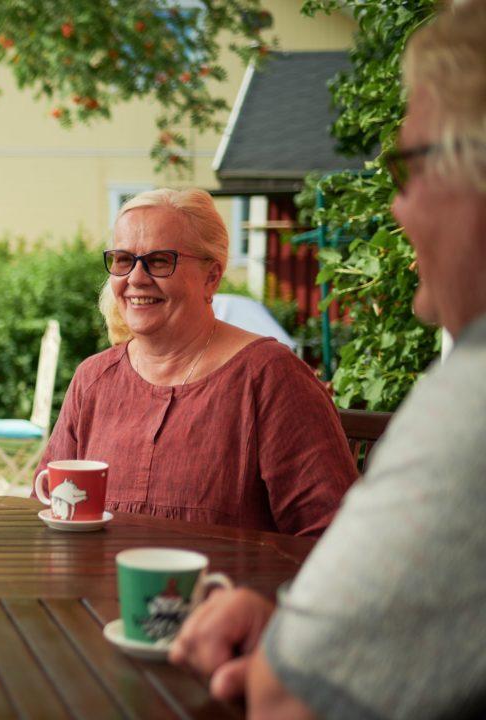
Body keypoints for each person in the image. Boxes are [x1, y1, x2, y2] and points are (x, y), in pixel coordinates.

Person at [169, 1, 486, 716]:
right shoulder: (97, 377)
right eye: (121, 259)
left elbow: (290, 701)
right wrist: (299, 634)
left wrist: (292, 661)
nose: (397, 208)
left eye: (407, 164)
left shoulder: (472, 402)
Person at [33, 188, 355, 536]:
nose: (136, 278)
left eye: (159, 260)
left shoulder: (270, 377)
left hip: (224, 591)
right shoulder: (94, 378)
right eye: (123, 260)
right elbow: (49, 504)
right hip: (97, 588)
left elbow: (332, 538)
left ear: (212, 276)